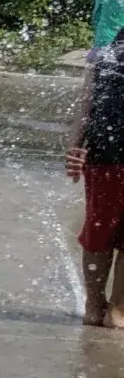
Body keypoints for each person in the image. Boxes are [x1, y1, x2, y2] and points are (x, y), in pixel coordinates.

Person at [66, 36, 124, 327]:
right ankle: (118, 312)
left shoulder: (109, 50)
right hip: (107, 151)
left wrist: (75, 145)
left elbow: (85, 103)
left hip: (104, 151)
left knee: (99, 226)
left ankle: (94, 304)